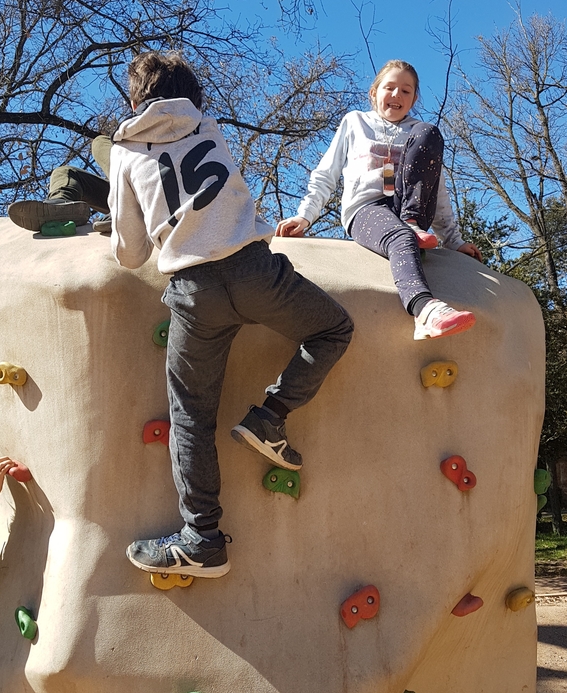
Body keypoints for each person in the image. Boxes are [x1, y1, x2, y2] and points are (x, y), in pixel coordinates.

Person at [109, 51, 353, 580]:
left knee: (190, 417)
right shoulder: (208, 126)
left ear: (135, 98)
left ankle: (202, 539)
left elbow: (129, 254)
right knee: (334, 328)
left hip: (194, 292)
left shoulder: (124, 151)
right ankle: (270, 415)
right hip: (253, 271)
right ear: (192, 96)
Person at [276, 59, 482, 340]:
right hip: (368, 208)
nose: (397, 94)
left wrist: (454, 240)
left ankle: (412, 223)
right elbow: (327, 173)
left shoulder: (417, 131)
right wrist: (305, 215)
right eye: (390, 87)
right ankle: (425, 311)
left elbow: (437, 188)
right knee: (401, 237)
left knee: (429, 132)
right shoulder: (355, 122)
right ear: (374, 92)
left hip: (411, 208)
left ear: (414, 99)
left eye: (406, 91)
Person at [7, 136, 113, 234]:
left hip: (121, 191)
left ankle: (122, 209)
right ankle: (60, 205)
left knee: (101, 142)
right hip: (115, 192)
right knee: (66, 171)